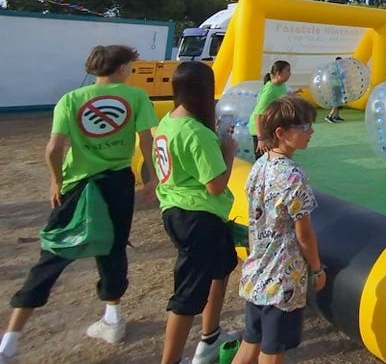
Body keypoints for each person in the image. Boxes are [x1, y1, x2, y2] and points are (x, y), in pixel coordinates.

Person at [0, 45, 157, 362]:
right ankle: (113, 318)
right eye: (130, 65)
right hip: (116, 183)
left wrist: (56, 180)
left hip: (76, 184)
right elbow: (146, 140)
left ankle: (10, 340)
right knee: (113, 247)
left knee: (54, 251)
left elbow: (53, 148)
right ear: (123, 68)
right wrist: (149, 176)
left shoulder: (70, 99)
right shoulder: (136, 97)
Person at [154, 61, 238, 364]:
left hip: (179, 211)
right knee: (187, 296)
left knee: (222, 267)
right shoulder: (195, 133)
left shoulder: (169, 122)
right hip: (196, 218)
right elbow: (215, 185)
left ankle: (211, 337)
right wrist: (228, 151)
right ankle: (171, 359)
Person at [233, 95, 326, 364]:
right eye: (304, 127)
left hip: (256, 272)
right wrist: (317, 269)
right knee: (272, 350)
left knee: (251, 342)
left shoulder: (259, 165)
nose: (311, 132)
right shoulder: (293, 176)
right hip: (281, 279)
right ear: (281, 133)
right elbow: (304, 233)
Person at [252, 61, 292, 156]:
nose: (290, 74)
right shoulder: (269, 91)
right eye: (288, 71)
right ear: (279, 73)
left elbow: (281, 96)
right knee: (265, 160)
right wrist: (261, 139)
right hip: (261, 130)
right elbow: (258, 116)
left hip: (271, 128)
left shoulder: (281, 85)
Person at [326, 57, 345, 123]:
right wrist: (339, 75)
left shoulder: (340, 68)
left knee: (339, 102)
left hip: (339, 86)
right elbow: (332, 74)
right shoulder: (334, 67)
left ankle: (336, 116)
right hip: (335, 86)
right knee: (336, 102)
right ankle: (329, 116)